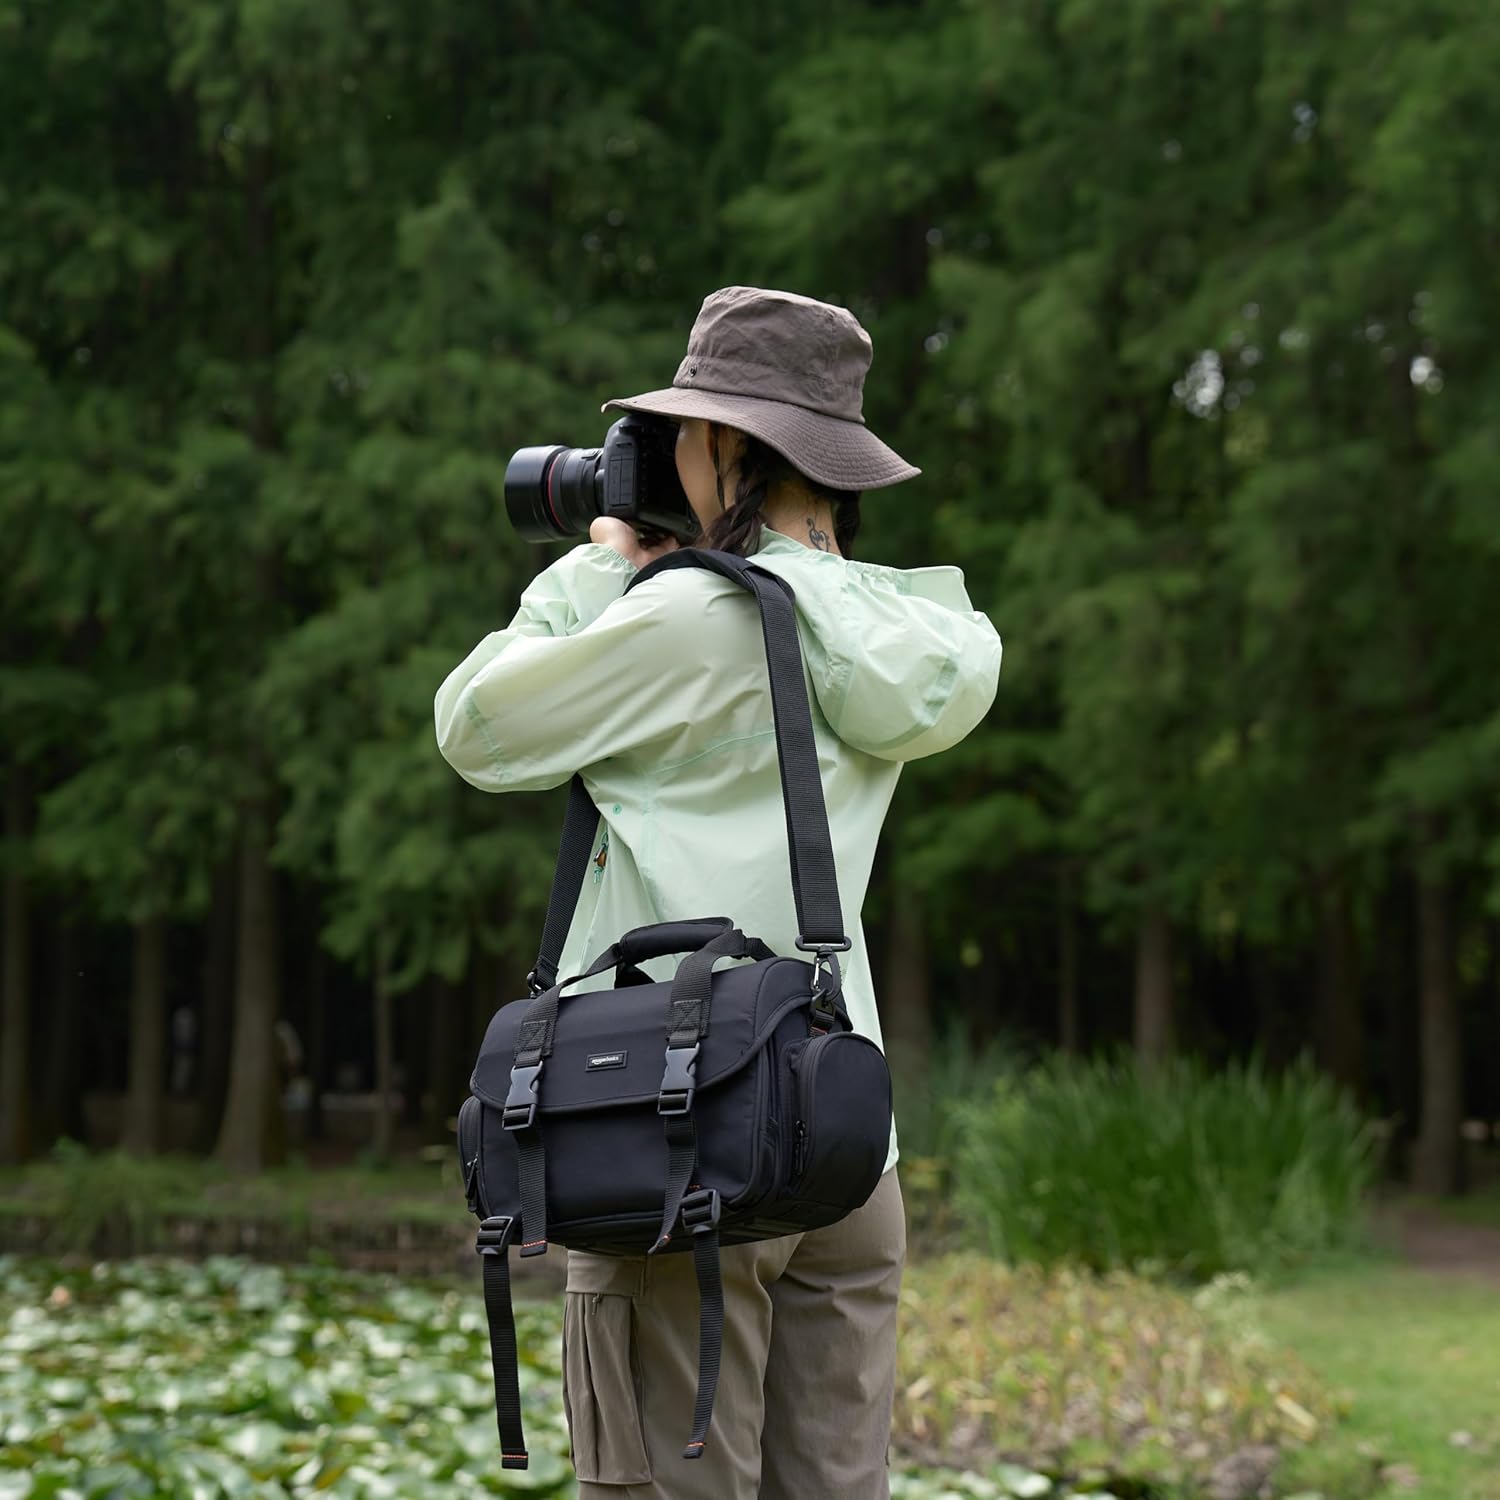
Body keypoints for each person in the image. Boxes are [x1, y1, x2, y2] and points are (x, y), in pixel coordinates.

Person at [434, 286, 1001, 1499]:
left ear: (725, 444)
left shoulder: (688, 616)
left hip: (673, 1129)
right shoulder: (907, 627)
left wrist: (598, 570)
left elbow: (476, 726)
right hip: (843, 1138)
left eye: (679, 433)